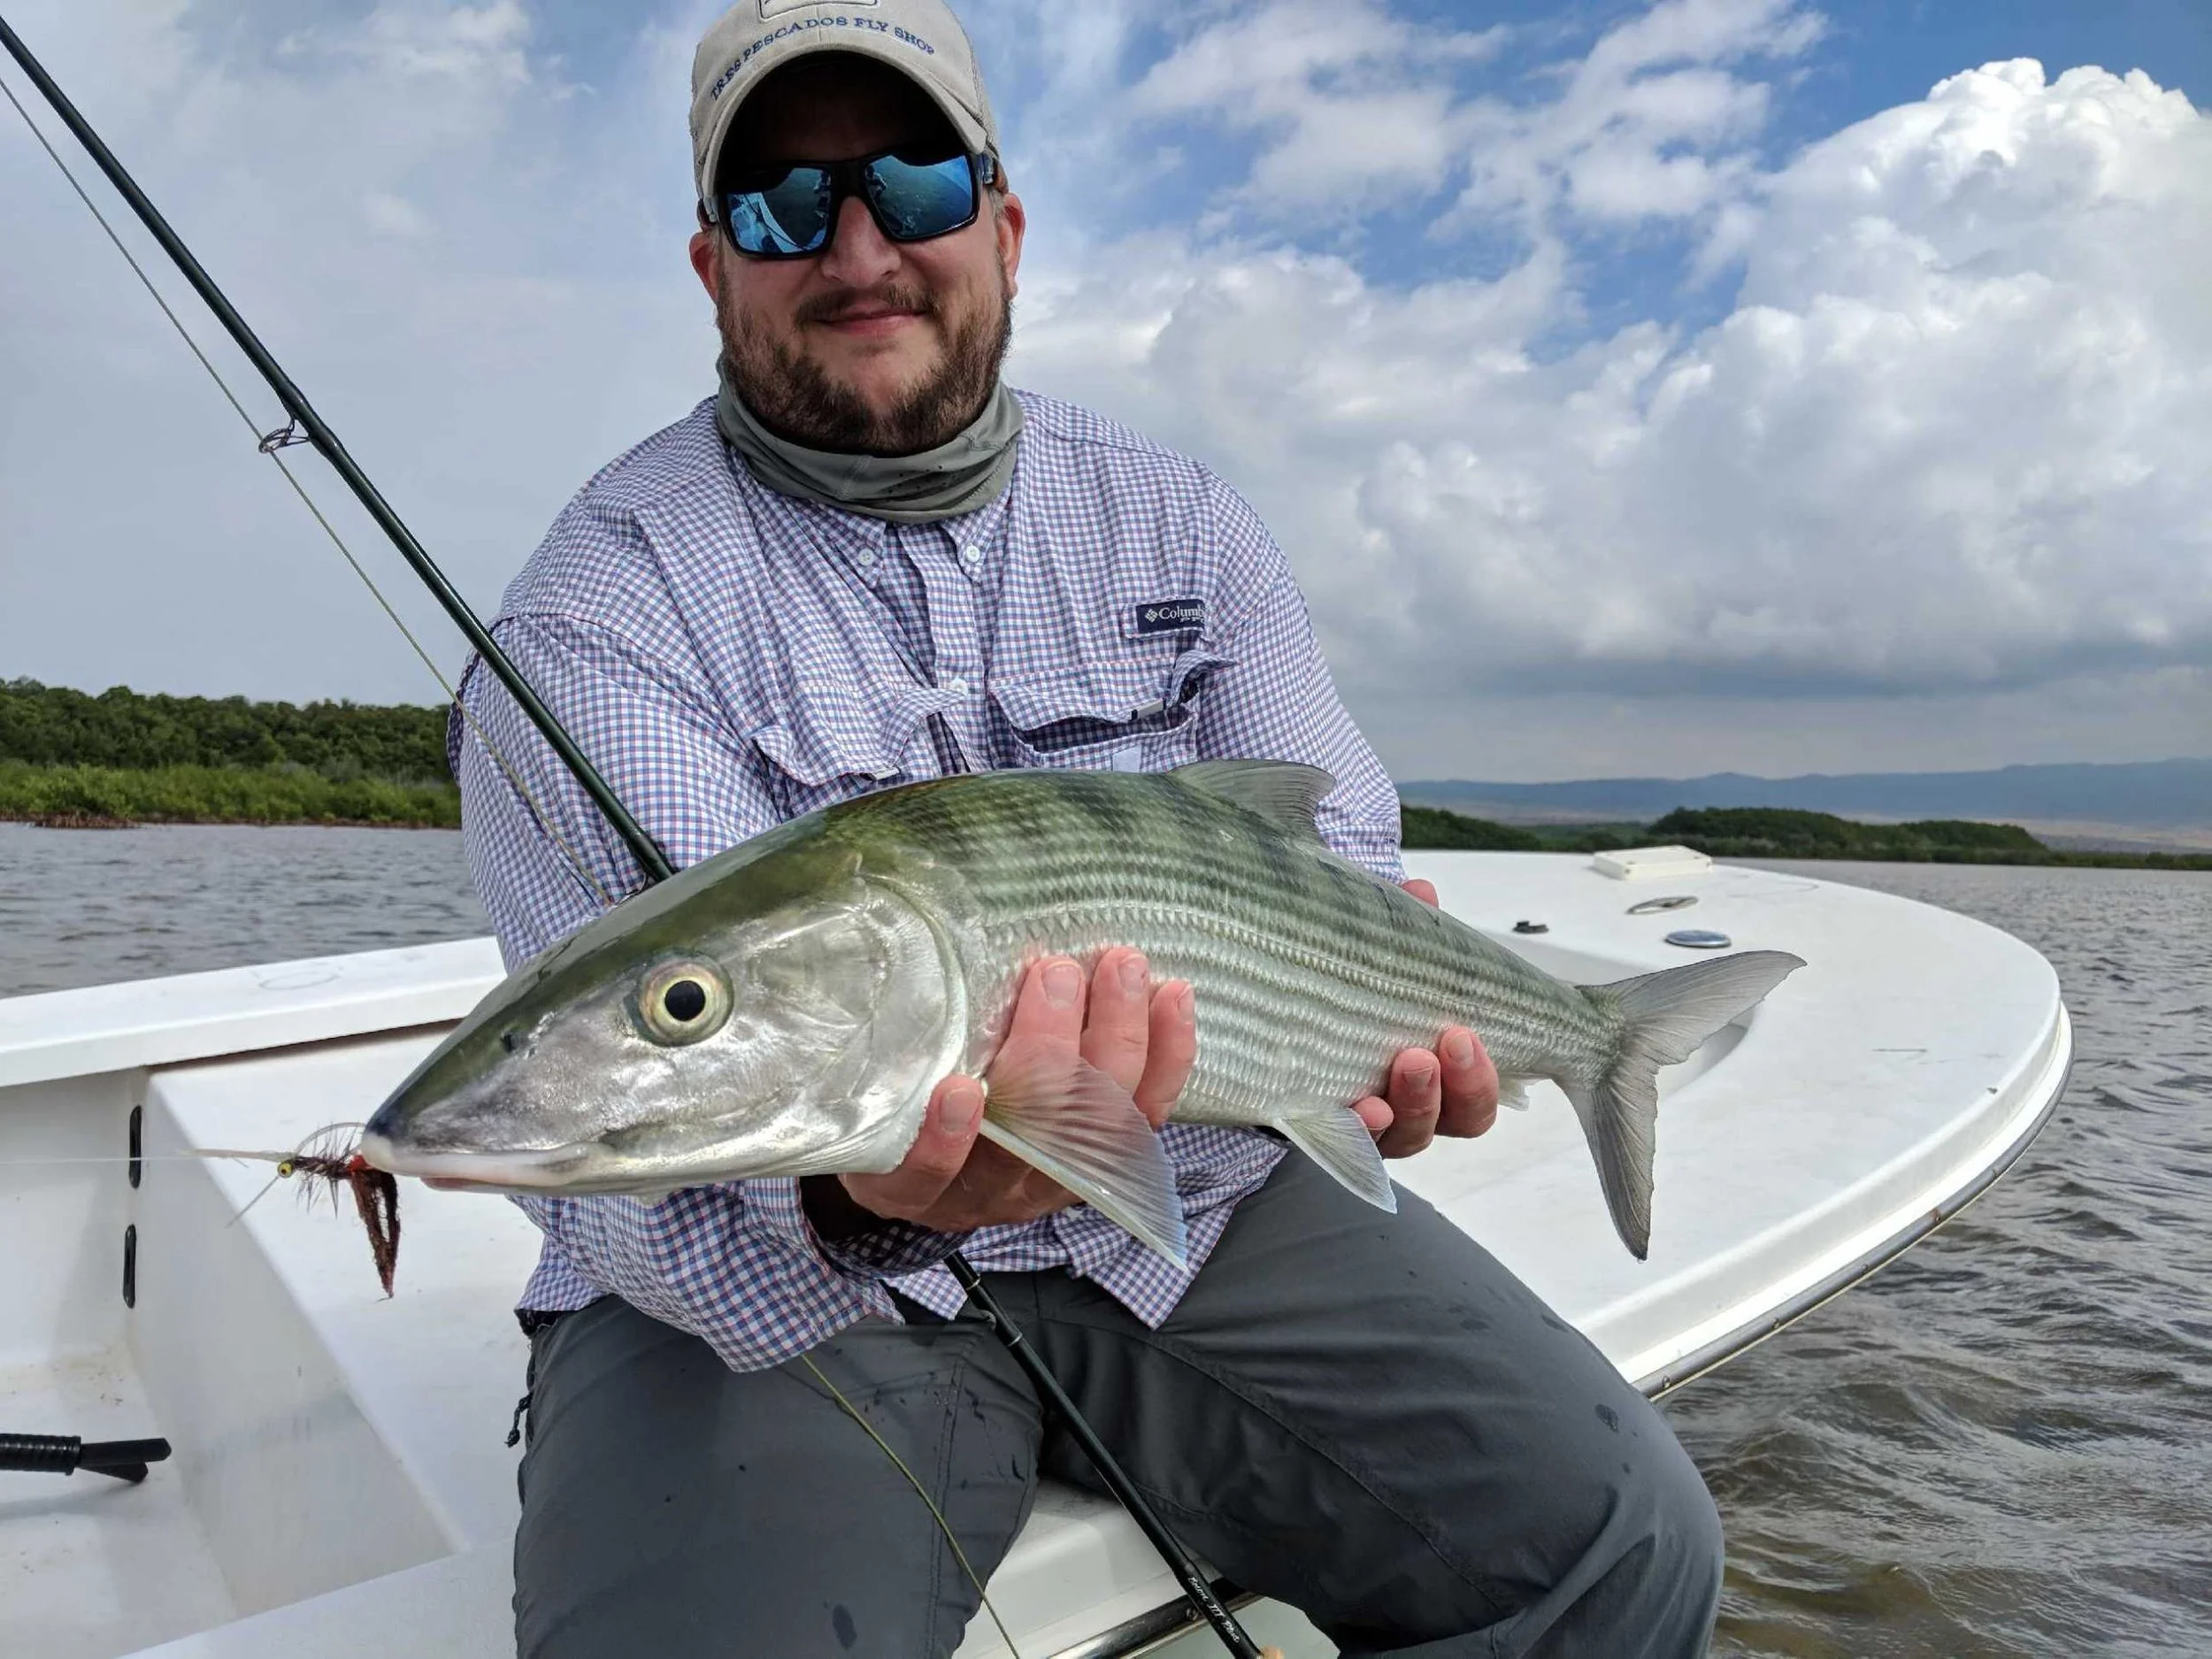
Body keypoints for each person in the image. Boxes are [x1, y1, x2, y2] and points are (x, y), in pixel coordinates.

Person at [453, 3, 1725, 1654]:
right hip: (778, 1284)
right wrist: (860, 1198)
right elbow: (645, 1140)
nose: (856, 249)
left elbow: (1327, 855)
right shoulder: (598, 612)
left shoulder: (1183, 519)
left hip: (1198, 1209)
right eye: (781, 205)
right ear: (713, 265)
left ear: (1005, 224)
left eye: (911, 185)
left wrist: (1387, 1038)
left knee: (1621, 1543)